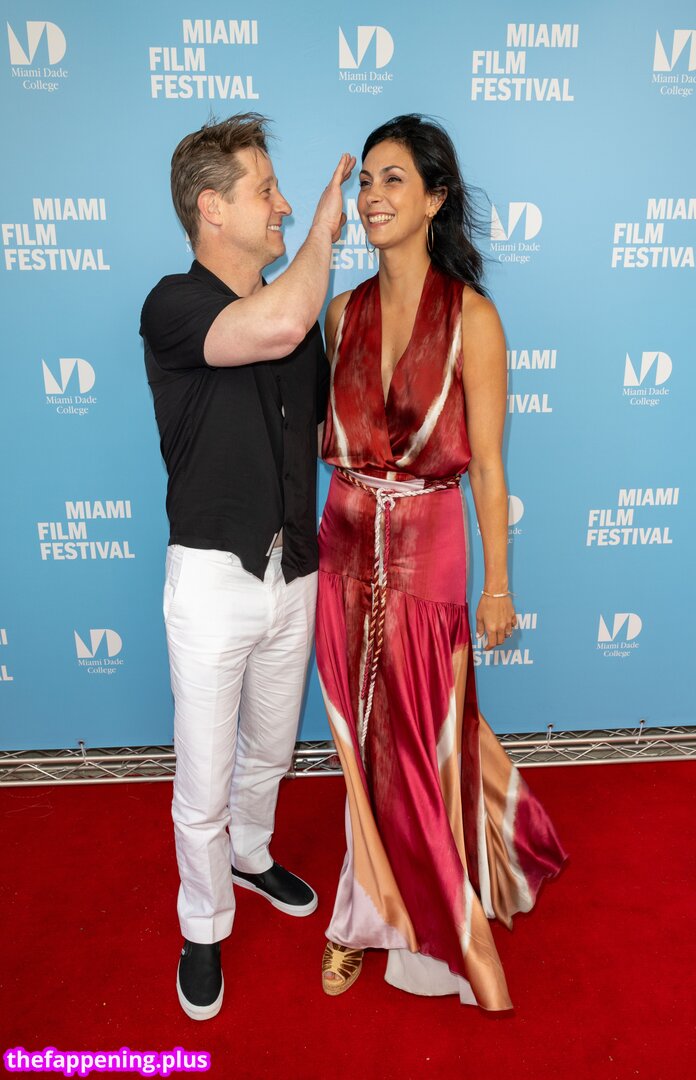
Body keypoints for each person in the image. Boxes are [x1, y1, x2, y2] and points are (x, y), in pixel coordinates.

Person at [316, 114, 567, 1008]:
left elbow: (489, 465)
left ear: (435, 199)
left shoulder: (473, 318)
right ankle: (361, 912)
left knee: (419, 740)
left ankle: (429, 919)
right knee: (358, 741)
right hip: (344, 545)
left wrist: (498, 584)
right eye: (365, 181)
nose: (372, 197)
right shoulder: (340, 313)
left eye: (393, 180)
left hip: (429, 547)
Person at [140, 113, 354, 1021]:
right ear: (211, 207)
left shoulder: (293, 317)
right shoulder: (173, 305)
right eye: (266, 190)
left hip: (292, 570)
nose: (285, 204)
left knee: (270, 747)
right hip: (210, 582)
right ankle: (202, 923)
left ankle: (251, 854)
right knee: (203, 775)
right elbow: (277, 322)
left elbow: (327, 431)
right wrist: (324, 236)